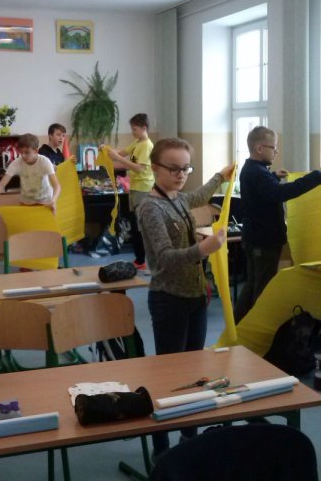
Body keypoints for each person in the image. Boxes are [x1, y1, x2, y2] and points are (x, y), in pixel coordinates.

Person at [137, 137, 234, 458]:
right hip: (169, 300)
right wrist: (203, 249)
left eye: (186, 168)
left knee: (194, 373)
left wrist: (220, 176)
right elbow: (164, 258)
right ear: (155, 168)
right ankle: (161, 447)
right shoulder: (150, 207)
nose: (181, 175)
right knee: (169, 377)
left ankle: (188, 440)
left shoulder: (177, 197)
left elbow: (199, 196)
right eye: (174, 168)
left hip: (194, 297)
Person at [234, 126, 321, 324]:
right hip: (263, 241)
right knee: (262, 287)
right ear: (259, 149)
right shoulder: (258, 173)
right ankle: (256, 328)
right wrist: (316, 176)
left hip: (255, 237)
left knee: (253, 284)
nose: (276, 151)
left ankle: (238, 327)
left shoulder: (253, 169)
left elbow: (264, 189)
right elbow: (280, 193)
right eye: (273, 147)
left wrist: (273, 176)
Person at [103, 113, 154, 270]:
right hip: (135, 188)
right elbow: (121, 153)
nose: (132, 132)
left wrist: (117, 158)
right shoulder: (137, 142)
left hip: (143, 189)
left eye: (134, 129)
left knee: (140, 227)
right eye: (132, 129)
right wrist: (106, 150)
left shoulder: (146, 145)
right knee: (135, 223)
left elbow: (140, 168)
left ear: (144, 128)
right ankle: (140, 259)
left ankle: (142, 260)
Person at [0, 133, 61, 213]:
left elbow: (56, 186)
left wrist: (53, 200)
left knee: (45, 221)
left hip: (45, 201)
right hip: (26, 202)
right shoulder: (16, 163)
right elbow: (1, 185)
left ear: (36, 151)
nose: (23, 155)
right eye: (21, 152)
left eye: (27, 152)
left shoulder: (44, 162)